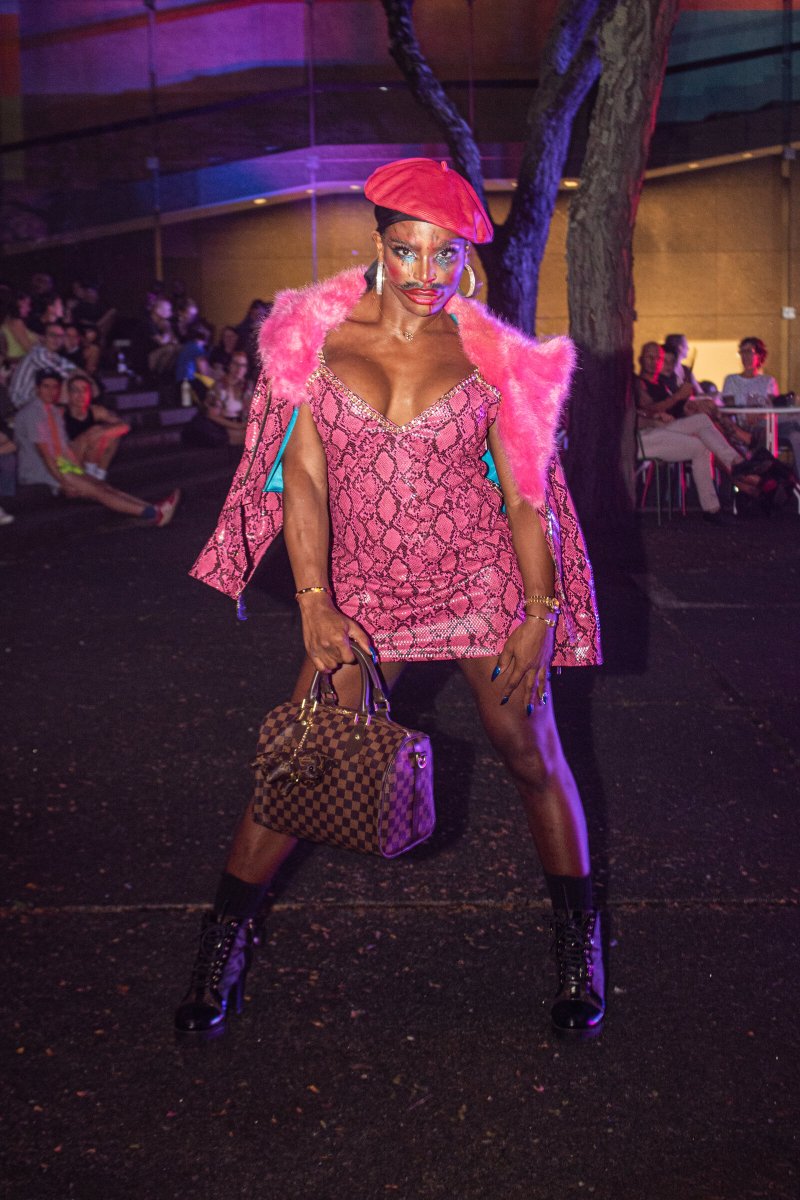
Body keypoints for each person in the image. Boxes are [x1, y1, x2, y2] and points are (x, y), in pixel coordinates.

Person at [175, 157, 606, 1040]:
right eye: (406, 251)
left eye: (443, 255)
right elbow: (304, 482)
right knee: (300, 765)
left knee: (531, 757)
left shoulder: (492, 358)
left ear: (466, 262)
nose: (424, 274)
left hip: (483, 585)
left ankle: (577, 945)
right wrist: (313, 599)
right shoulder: (314, 342)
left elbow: (526, 498)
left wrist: (538, 612)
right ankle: (220, 949)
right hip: (364, 594)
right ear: (377, 246)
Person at [14, 369, 180, 524]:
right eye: (46, 387)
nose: (51, 391)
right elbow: (45, 455)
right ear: (37, 389)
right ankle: (153, 513)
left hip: (61, 464)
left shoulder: (53, 411)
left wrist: (78, 469)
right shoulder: (33, 414)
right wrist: (62, 482)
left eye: (54, 387)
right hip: (42, 470)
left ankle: (153, 508)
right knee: (99, 491)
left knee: (102, 486)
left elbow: (62, 447)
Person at [636, 342, 758, 520]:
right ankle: (737, 463)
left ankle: (712, 509)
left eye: (658, 358)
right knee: (702, 425)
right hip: (645, 436)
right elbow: (648, 409)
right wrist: (677, 398)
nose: (654, 362)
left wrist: (693, 404)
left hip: (666, 432)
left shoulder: (663, 386)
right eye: (649, 357)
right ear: (641, 359)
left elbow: (676, 410)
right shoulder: (638, 383)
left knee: (702, 443)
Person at [61, 373, 130, 480]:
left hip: (92, 457)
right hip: (71, 460)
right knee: (95, 432)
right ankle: (89, 478)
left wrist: (101, 432)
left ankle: (98, 476)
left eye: (84, 390)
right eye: (75, 390)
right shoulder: (61, 413)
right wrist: (89, 435)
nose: (80, 394)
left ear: (90, 394)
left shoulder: (96, 411)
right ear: (69, 394)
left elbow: (125, 426)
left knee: (111, 434)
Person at [9, 322, 77, 411]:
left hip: (35, 402)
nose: (56, 339)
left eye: (60, 336)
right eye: (52, 335)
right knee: (64, 385)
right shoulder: (37, 353)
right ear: (44, 337)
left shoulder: (54, 356)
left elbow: (74, 369)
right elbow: (63, 376)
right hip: (21, 403)